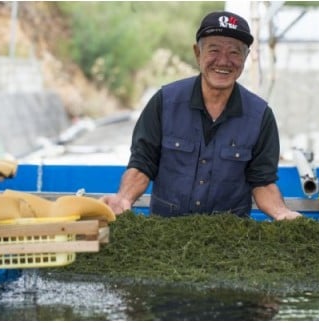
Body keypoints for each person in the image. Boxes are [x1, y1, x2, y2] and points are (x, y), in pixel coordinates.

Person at [101, 10, 302, 221]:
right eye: (214, 50)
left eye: (234, 52)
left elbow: (262, 182)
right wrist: (124, 198)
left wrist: (282, 213)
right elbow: (142, 164)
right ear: (198, 53)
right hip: (165, 233)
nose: (223, 61)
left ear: (246, 57)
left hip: (231, 239)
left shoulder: (260, 116)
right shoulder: (164, 102)